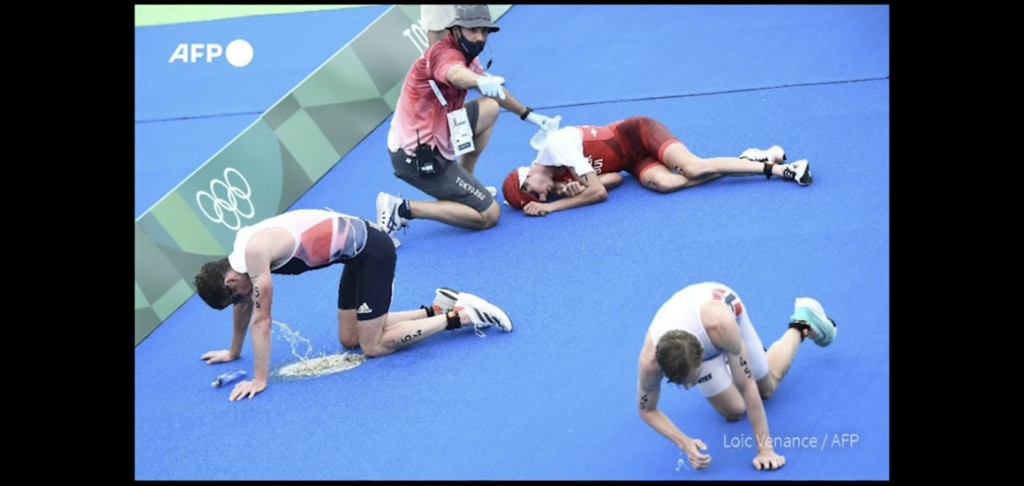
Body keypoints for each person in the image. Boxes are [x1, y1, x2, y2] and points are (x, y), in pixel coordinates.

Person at [194, 209, 513, 402]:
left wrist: (259, 379)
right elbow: (244, 307)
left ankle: (464, 315)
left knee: (373, 346)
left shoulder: (254, 254)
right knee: (350, 339)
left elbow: (261, 319)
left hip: (374, 251)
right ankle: (436, 309)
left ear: (229, 280)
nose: (242, 301)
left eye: (236, 296)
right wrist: (233, 352)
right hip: (355, 257)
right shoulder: (240, 256)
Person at [377, 4, 559, 244]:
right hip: (416, 157)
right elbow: (454, 73)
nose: (479, 37)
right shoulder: (444, 54)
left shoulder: (467, 54)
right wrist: (476, 81)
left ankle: (465, 181)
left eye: (484, 31)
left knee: (490, 107)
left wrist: (527, 115)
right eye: (473, 30)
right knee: (489, 214)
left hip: (439, 132)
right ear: (456, 29)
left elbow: (494, 92)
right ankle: (400, 208)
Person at [636, 282, 836, 471]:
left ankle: (800, 325)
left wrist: (765, 450)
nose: (689, 387)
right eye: (681, 384)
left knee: (766, 389)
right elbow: (646, 410)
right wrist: (684, 442)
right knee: (734, 411)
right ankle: (742, 362)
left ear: (702, 356)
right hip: (698, 336)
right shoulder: (649, 365)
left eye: (692, 379)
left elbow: (747, 385)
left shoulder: (723, 328)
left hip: (725, 320)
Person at [501, 116, 813, 216]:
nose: (544, 197)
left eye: (535, 194)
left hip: (638, 133)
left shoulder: (555, 146)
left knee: (693, 168)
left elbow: (598, 193)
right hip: (632, 161)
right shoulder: (557, 179)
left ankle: (779, 169)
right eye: (539, 200)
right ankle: (746, 160)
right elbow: (614, 179)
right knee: (666, 184)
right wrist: (573, 189)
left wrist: (553, 207)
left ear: (527, 177)